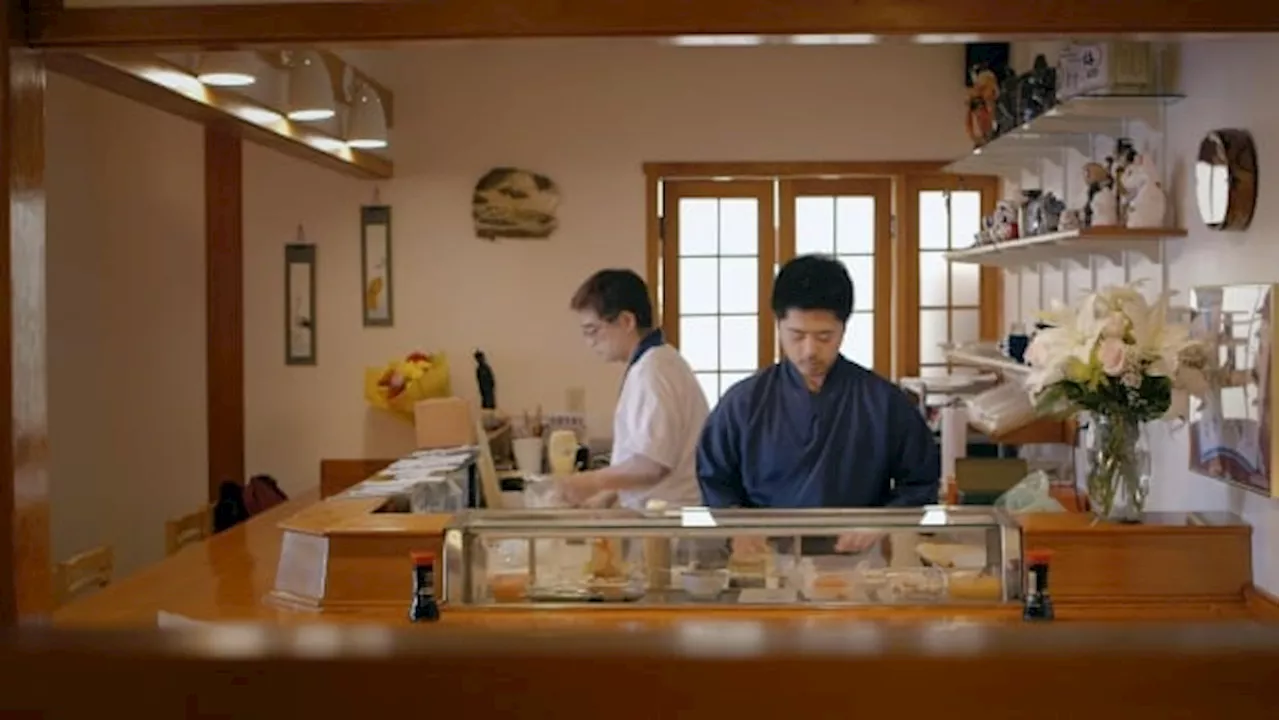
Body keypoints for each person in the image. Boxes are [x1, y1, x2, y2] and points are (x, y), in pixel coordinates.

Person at [696, 254, 940, 552]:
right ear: (778, 325)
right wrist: (737, 526)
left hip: (858, 562)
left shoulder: (882, 401)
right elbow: (714, 478)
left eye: (824, 336)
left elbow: (920, 482)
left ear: (844, 328)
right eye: (797, 335)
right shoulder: (744, 402)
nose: (810, 350)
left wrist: (881, 521)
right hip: (765, 561)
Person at [556, 269, 709, 510]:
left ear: (627, 321)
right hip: (659, 514)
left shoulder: (654, 370)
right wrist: (606, 497)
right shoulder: (654, 362)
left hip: (670, 520)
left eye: (593, 331)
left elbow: (652, 464)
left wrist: (590, 482)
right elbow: (640, 460)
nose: (590, 342)